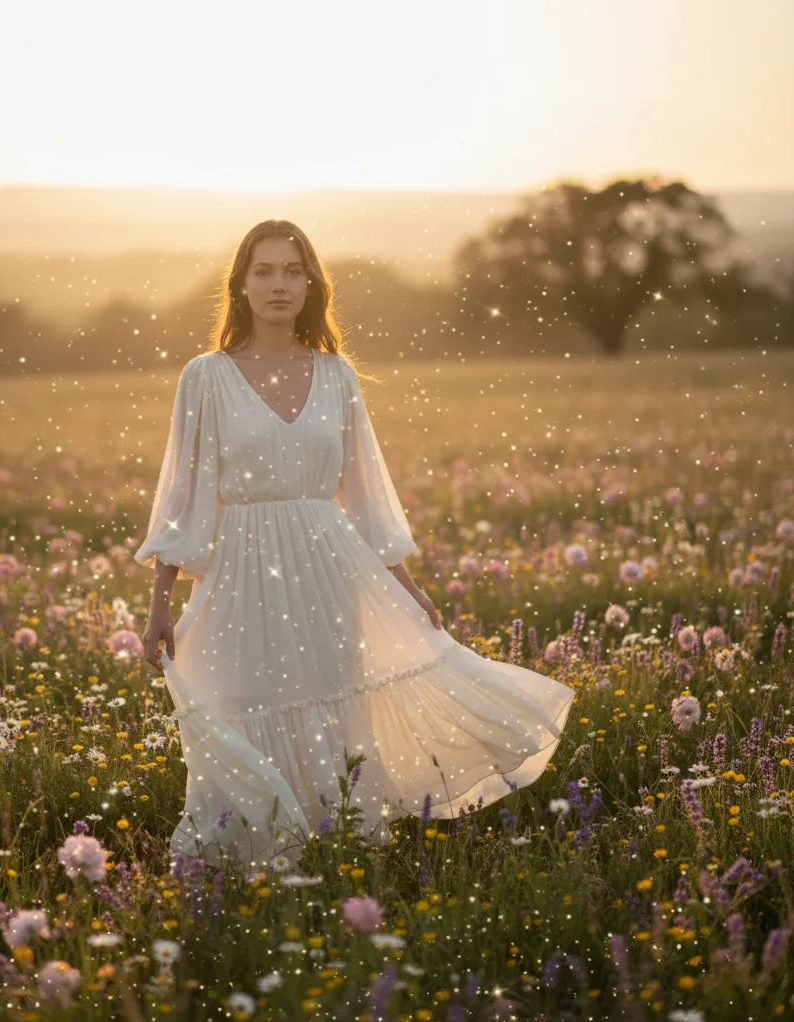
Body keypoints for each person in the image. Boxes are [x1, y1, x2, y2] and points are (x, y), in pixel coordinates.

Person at [135, 219, 574, 867]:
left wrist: (408, 586)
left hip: (328, 566)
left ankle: (342, 853)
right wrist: (160, 603)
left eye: (291, 271)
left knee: (335, 707)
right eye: (264, 271)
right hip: (240, 570)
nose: (278, 284)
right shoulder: (205, 377)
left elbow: (366, 498)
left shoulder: (337, 375)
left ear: (312, 284)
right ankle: (252, 854)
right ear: (241, 284)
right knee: (245, 706)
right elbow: (184, 500)